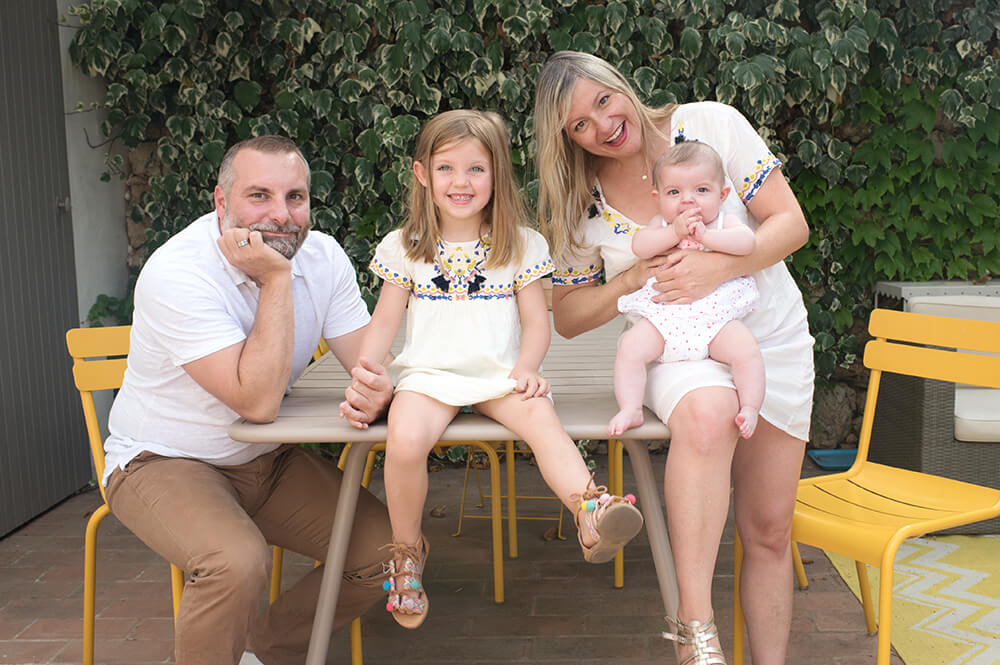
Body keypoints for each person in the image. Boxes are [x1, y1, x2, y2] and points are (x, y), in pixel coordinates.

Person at [534, 51, 814, 665]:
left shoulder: (712, 125)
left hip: (770, 339)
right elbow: (571, 316)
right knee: (709, 415)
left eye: (603, 101)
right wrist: (629, 278)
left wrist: (719, 264)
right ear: (567, 140)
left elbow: (791, 224)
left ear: (620, 83)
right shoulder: (582, 203)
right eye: (580, 125)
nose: (603, 126)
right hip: (678, 350)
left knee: (768, 531)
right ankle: (695, 630)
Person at [102, 135, 395, 665]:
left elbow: (371, 365)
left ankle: (258, 653)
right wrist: (277, 279)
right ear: (221, 202)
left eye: (296, 198)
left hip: (266, 458)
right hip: (163, 460)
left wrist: (381, 388)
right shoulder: (178, 273)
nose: (281, 216)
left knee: (391, 553)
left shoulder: (324, 258)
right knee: (234, 561)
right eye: (259, 196)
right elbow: (256, 403)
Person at [347, 109, 643, 629]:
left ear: (498, 175)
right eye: (446, 169)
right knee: (405, 441)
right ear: (422, 175)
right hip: (429, 375)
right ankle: (406, 552)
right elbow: (383, 322)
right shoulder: (406, 247)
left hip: (502, 373)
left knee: (542, 423)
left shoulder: (523, 244)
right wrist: (369, 373)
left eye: (476, 169)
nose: (461, 182)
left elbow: (536, 323)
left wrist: (528, 369)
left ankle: (591, 511)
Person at [610, 141, 764, 440]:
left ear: (722, 195)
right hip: (665, 319)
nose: (687, 201)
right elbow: (639, 246)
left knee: (746, 351)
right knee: (630, 348)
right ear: (658, 197)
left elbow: (747, 244)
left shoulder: (724, 222)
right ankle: (630, 407)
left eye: (701, 191)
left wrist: (708, 236)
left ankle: (750, 406)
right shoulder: (663, 224)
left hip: (716, 320)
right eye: (674, 192)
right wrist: (673, 232)